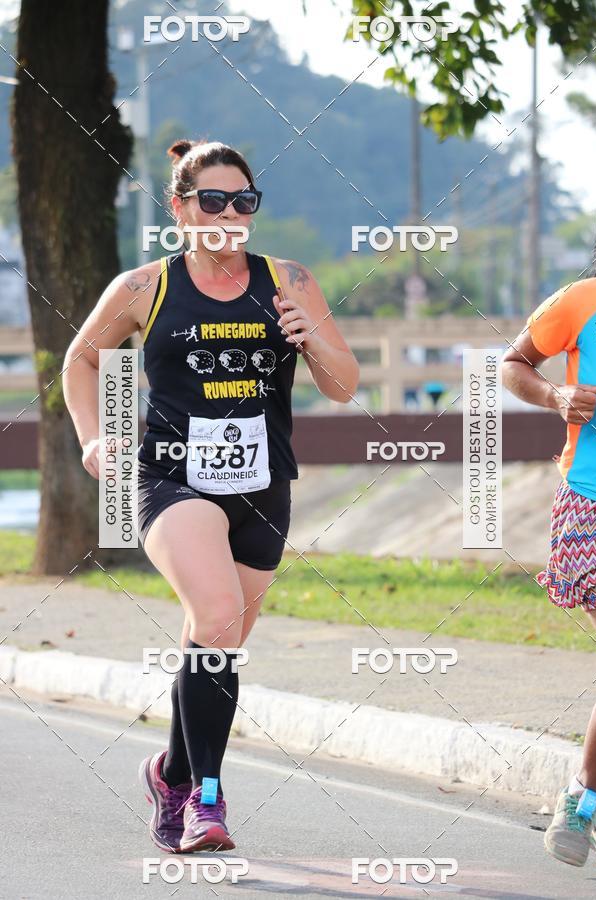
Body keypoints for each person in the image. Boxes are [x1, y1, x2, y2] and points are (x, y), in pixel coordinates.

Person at [63, 139, 360, 853]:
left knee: (215, 642)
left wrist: (309, 341)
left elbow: (345, 385)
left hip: (262, 484)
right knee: (218, 614)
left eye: (243, 202)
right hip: (170, 477)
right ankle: (206, 800)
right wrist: (94, 436)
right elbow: (82, 359)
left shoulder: (289, 280)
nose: (229, 214)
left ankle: (169, 772)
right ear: (180, 207)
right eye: (212, 200)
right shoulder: (143, 288)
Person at [503, 233, 596, 868]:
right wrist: (556, 396)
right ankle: (582, 802)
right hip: (593, 504)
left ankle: (582, 798)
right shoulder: (581, 301)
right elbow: (513, 366)